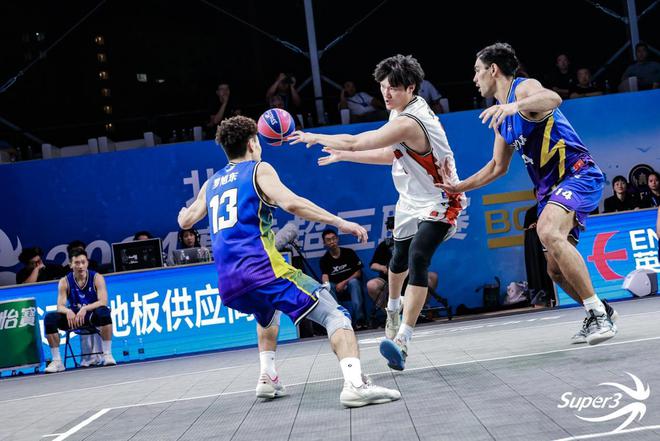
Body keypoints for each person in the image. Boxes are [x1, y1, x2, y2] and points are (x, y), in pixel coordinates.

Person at [177, 115, 400, 407]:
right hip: (263, 270)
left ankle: (267, 377)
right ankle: (355, 385)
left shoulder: (212, 183)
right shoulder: (259, 169)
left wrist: (182, 215)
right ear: (252, 143)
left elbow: (186, 220)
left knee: (266, 313)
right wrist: (340, 222)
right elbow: (292, 203)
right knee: (335, 315)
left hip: (229, 283)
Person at [290, 54, 466, 371]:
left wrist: (316, 137)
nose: (386, 93)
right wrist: (344, 156)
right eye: (383, 86)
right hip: (409, 199)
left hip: (441, 198)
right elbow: (390, 155)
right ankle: (392, 310)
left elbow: (357, 140)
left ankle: (403, 341)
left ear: (411, 88)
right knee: (397, 260)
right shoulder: (398, 111)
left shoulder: (411, 120)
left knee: (418, 257)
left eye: (393, 88)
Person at [437, 42, 618, 346]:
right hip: (550, 192)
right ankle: (602, 310)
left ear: (494, 70)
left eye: (477, 71)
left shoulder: (523, 89)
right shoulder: (502, 118)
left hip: (577, 174)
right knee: (555, 272)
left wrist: (514, 106)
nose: (474, 78)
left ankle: (599, 316)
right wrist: (459, 186)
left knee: (547, 230)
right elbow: (497, 167)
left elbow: (554, 98)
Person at [43, 249, 115, 373]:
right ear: (71, 265)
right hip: (74, 318)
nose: (80, 266)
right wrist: (68, 311)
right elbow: (60, 306)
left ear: (87, 263)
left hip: (92, 315)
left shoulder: (97, 278)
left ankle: (107, 354)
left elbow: (103, 301)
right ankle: (57, 361)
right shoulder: (64, 281)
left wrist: (85, 308)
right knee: (49, 319)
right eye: (77, 263)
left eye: (83, 262)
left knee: (104, 312)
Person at [319, 229, 366, 329]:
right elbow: (325, 276)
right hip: (336, 288)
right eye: (328, 240)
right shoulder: (324, 259)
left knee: (354, 282)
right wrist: (326, 285)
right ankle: (339, 320)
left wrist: (344, 282)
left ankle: (360, 321)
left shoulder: (349, 253)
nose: (332, 242)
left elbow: (358, 273)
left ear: (337, 239)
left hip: (350, 285)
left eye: (333, 238)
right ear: (324, 243)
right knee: (328, 287)